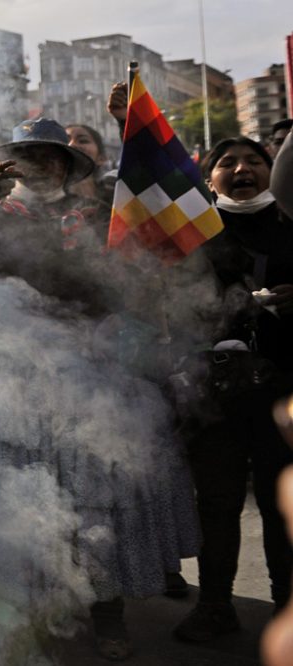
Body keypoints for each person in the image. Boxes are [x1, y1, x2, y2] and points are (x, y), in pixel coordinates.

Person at [0, 117, 199, 661]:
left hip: (91, 375)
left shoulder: (98, 216)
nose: (40, 165)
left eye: (50, 156)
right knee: (20, 501)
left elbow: (135, 279)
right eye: (26, 155)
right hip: (12, 381)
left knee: (95, 500)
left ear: (66, 165)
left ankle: (107, 614)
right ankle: (33, 612)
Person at [172, 137, 293, 642]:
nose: (241, 169)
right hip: (211, 394)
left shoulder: (292, 224)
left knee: (280, 502)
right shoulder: (189, 233)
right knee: (217, 502)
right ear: (210, 177)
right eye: (227, 163)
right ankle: (216, 605)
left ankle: (286, 609)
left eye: (254, 161)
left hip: (282, 391)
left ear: (272, 169)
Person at [65, 124, 113, 205]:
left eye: (83, 141)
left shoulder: (115, 196)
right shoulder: (43, 201)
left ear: (101, 159)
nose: (71, 145)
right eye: (65, 141)